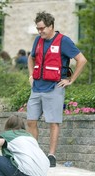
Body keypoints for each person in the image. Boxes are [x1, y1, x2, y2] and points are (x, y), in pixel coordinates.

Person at [27, 11, 87, 167]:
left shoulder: (64, 41)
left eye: (42, 28)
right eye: (38, 29)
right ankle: (34, 153)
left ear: (51, 26)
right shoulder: (38, 40)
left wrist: (70, 80)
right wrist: (30, 76)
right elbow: (31, 57)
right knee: (31, 121)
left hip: (54, 87)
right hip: (37, 87)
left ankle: (51, 156)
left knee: (53, 122)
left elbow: (81, 60)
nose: (40, 32)